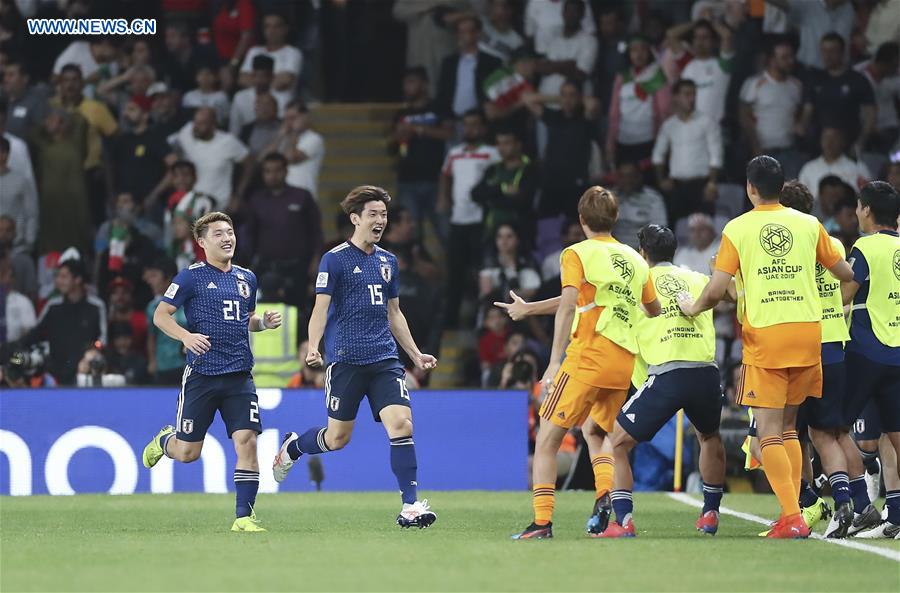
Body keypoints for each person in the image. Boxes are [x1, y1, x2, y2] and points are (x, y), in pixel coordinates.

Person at [678, 155, 853, 538]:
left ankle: (792, 517)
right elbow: (845, 272)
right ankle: (799, 510)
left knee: (768, 433)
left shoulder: (738, 228)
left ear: (750, 188)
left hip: (768, 337)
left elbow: (715, 290)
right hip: (809, 335)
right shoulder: (809, 225)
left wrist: (692, 307)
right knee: (790, 428)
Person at [271, 185, 439, 529]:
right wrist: (313, 345)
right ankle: (293, 448)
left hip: (384, 360)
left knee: (402, 425)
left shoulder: (388, 261)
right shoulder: (334, 259)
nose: (380, 220)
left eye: (384, 215)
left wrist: (415, 354)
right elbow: (320, 308)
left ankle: (410, 505)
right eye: (373, 214)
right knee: (337, 439)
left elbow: (394, 313)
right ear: (355, 219)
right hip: (346, 361)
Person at [498, 186, 661, 539]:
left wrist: (553, 362)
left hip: (587, 356)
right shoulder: (635, 259)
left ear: (582, 219)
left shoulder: (576, 253)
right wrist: (530, 308)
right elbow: (653, 309)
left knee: (547, 439)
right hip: (622, 362)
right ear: (615, 218)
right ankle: (604, 495)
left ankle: (542, 523)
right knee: (596, 432)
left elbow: (571, 304)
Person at [140, 211, 283, 533]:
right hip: (202, 375)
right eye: (218, 234)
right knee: (188, 453)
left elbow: (246, 319)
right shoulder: (190, 277)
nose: (227, 238)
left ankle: (243, 518)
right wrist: (186, 337)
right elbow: (161, 316)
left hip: (239, 376)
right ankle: (165, 440)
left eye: (230, 232)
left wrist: (262, 323)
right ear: (202, 243)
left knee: (247, 441)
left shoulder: (247, 278)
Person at [595, 224, 726, 537]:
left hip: (668, 373)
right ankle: (710, 513)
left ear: (642, 253)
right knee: (709, 436)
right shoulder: (697, 278)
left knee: (617, 443)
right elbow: (724, 296)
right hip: (706, 371)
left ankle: (623, 521)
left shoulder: (636, 282)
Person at [778, 180, 855, 538]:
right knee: (828, 434)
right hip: (835, 342)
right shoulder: (832, 242)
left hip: (802, 342)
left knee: (786, 432)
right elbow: (846, 284)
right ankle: (847, 501)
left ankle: (808, 503)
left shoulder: (791, 245)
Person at [839, 181, 900, 539]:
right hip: (898, 353)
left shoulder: (864, 246)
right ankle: (896, 515)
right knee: (895, 437)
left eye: (860, 207)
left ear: (867, 210)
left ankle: (861, 505)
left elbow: (845, 294)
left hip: (867, 351)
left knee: (831, 429)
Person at [439, 109, 501, 328]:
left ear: (483, 127)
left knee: (481, 273)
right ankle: (451, 321)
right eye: (467, 124)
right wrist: (443, 198)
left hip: (480, 221)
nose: (470, 129)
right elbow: (445, 175)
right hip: (458, 220)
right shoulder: (454, 153)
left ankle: (482, 320)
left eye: (475, 124)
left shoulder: (492, 153)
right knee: (454, 273)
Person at [244, 152, 322, 310]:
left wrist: (316, 259)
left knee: (297, 310)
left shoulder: (302, 196)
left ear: (286, 171)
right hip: (265, 266)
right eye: (268, 171)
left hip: (297, 266)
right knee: (264, 310)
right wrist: (247, 264)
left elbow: (316, 231)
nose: (272, 175)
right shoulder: (256, 199)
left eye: (277, 170)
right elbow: (250, 233)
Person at [15, 259, 107, 385]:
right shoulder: (53, 306)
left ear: (78, 279)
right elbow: (34, 335)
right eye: (57, 276)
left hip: (83, 376)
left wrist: (93, 352)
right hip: (54, 378)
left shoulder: (96, 306)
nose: (58, 281)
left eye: (64, 277)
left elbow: (102, 341)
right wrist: (14, 351)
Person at [390, 66, 453, 240]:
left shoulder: (438, 107)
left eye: (412, 82)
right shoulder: (402, 114)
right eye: (405, 83)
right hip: (407, 180)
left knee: (446, 231)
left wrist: (418, 129)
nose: (407, 87)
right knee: (411, 234)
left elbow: (449, 133)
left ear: (424, 84)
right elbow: (391, 146)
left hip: (436, 180)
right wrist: (399, 135)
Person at [652, 79, 723, 225]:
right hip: (677, 187)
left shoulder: (707, 122)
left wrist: (712, 183)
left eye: (693, 94)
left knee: (704, 228)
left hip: (702, 186)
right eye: (687, 94)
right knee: (677, 228)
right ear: (676, 97)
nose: (692, 98)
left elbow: (716, 155)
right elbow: (658, 155)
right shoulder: (669, 125)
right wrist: (661, 180)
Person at [739, 37, 804, 179]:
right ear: (772, 60)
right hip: (763, 151)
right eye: (784, 57)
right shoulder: (754, 84)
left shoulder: (796, 85)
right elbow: (744, 117)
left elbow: (798, 114)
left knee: (790, 192)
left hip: (790, 152)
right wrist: (755, 147)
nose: (790, 61)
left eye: (791, 57)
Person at [799, 32, 875, 152]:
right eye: (824, 51)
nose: (827, 56)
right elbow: (808, 109)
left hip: (849, 143)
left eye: (832, 51)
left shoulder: (857, 79)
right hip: (818, 145)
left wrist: (861, 141)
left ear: (842, 52)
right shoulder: (815, 79)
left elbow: (870, 113)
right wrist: (802, 127)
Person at [606, 35, 670, 168]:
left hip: (649, 140)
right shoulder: (622, 77)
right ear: (628, 53)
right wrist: (610, 143)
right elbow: (614, 113)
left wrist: (663, 140)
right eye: (634, 50)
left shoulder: (657, 75)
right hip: (623, 140)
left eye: (643, 49)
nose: (639, 54)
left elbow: (664, 110)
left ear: (649, 52)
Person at [171, 107, 253, 210]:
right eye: (195, 122)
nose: (196, 127)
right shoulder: (186, 133)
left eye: (202, 123)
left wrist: (238, 194)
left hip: (220, 205)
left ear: (213, 125)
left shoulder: (228, 142)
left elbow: (250, 163)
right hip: (191, 205)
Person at [471, 128, 537, 242]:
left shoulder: (531, 169)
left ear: (518, 145)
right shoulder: (493, 169)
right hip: (492, 232)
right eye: (499, 143)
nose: (501, 148)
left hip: (520, 234)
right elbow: (475, 194)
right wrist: (502, 189)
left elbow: (523, 201)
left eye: (506, 143)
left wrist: (491, 198)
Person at [436, 16, 503, 120]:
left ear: (478, 33)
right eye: (462, 32)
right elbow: (443, 92)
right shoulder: (449, 62)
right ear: (457, 35)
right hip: (453, 120)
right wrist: (444, 117)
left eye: (470, 31)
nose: (466, 35)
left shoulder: (492, 62)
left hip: (481, 121)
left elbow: (496, 93)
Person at [239, 12, 302, 107]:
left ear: (286, 29)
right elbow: (242, 79)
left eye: (276, 26)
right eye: (267, 26)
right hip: (253, 101)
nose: (272, 31)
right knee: (239, 97)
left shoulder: (293, 52)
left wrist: (257, 80)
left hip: (281, 102)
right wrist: (272, 78)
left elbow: (284, 81)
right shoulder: (254, 51)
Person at [265, 100, 325, 200]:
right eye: (286, 119)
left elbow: (291, 158)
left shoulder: (314, 139)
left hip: (304, 195)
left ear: (305, 117)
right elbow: (266, 158)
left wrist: (293, 134)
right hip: (282, 195)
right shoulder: (284, 138)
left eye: (293, 118)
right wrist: (280, 136)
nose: (289, 123)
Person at [143, 257, 187, 385]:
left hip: (187, 364)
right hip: (163, 365)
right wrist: (152, 361)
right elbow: (151, 337)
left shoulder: (188, 302)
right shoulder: (152, 307)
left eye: (154, 276)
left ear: (168, 277)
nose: (150, 281)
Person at [798, 127, 871, 203]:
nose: (829, 142)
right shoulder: (808, 168)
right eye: (826, 138)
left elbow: (867, 197)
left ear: (842, 141)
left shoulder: (858, 168)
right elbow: (802, 199)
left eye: (834, 138)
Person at [612, 160, 667, 250]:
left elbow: (659, 232)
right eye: (622, 176)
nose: (627, 180)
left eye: (631, 176)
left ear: (639, 176)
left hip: (643, 252)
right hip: (613, 251)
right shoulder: (609, 198)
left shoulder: (653, 198)